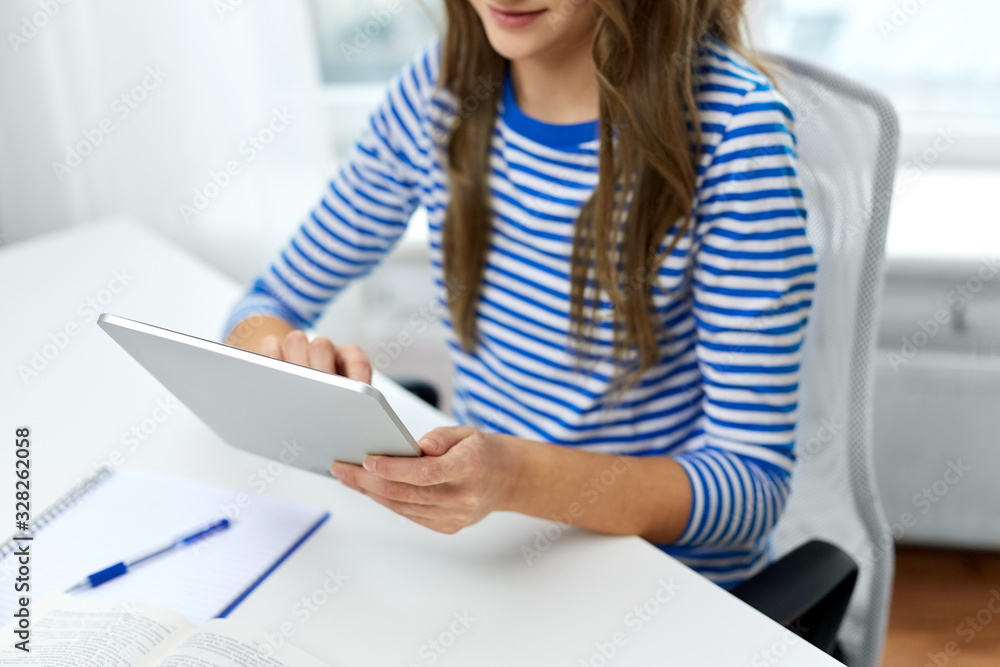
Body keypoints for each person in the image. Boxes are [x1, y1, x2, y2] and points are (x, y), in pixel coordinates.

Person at [224, 0, 815, 589]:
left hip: (661, 583)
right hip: (497, 549)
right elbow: (267, 299)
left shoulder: (736, 132)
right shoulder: (438, 91)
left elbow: (752, 489)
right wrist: (290, 364)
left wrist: (512, 478)